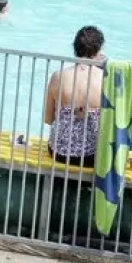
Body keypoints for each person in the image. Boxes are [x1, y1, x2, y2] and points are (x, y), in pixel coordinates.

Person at [42, 25, 106, 164]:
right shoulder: (105, 79)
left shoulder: (58, 76)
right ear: (98, 51)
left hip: (59, 153)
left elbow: (48, 119)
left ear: (75, 47)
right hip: (92, 156)